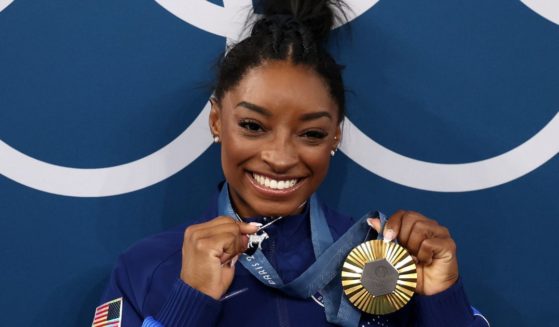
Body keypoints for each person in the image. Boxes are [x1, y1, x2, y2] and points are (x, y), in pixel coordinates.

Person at [93, 1, 489, 326]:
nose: (280, 157)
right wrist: (189, 303)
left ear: (335, 135)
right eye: (252, 125)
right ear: (216, 120)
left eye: (311, 133)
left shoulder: (393, 263)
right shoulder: (147, 266)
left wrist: (444, 300)